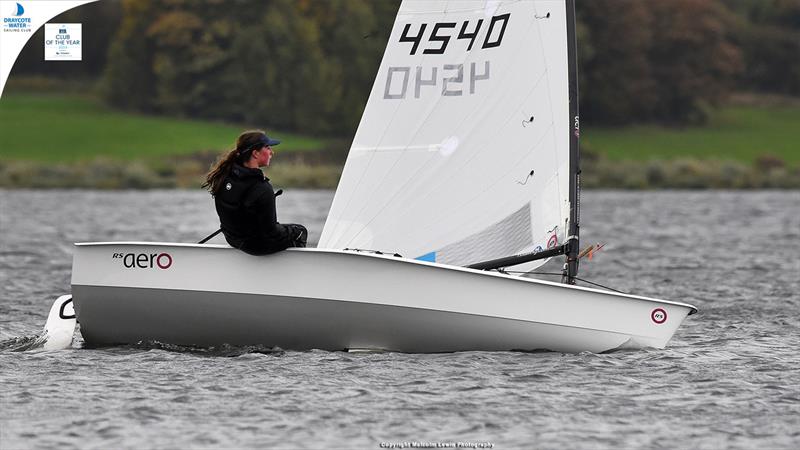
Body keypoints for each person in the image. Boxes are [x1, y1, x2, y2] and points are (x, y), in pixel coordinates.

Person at [203, 130, 307, 255]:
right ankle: (293, 271)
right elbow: (272, 233)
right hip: (256, 247)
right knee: (300, 231)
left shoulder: (225, 177)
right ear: (256, 153)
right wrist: (288, 231)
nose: (272, 152)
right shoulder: (262, 188)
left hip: (232, 239)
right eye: (268, 148)